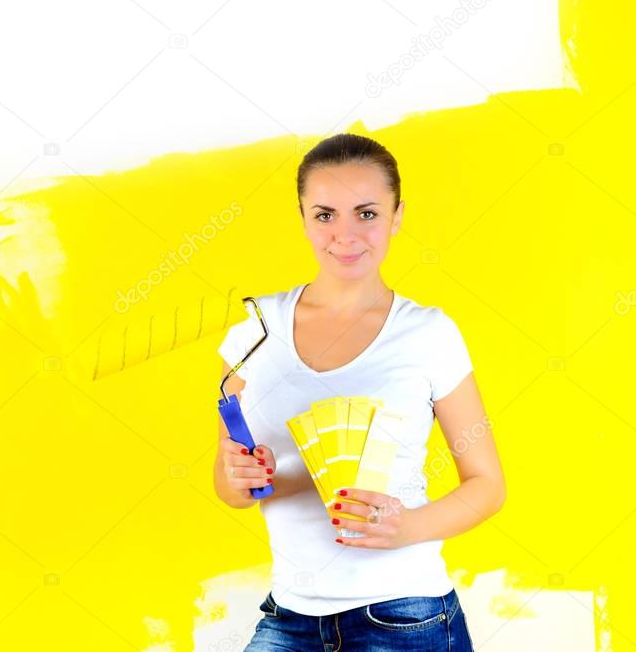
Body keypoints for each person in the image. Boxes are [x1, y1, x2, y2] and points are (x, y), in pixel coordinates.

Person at [215, 133, 505, 651]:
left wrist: (409, 526)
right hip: (289, 617)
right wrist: (237, 480)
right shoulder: (255, 330)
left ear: (396, 216)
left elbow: (487, 485)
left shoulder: (429, 334)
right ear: (302, 218)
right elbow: (230, 481)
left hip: (404, 616)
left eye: (366, 213)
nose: (345, 234)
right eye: (325, 214)